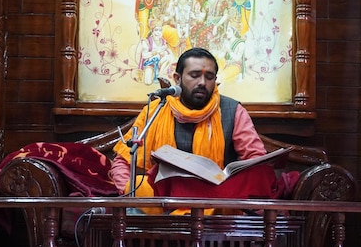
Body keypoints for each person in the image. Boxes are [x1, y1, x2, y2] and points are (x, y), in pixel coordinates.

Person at [110, 48, 278, 212]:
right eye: (195, 75)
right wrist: (131, 194)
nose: (202, 83)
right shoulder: (156, 110)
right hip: (166, 203)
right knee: (145, 185)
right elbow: (122, 162)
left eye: (209, 77)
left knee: (260, 172)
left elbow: (256, 159)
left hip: (218, 203)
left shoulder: (232, 110)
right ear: (177, 78)